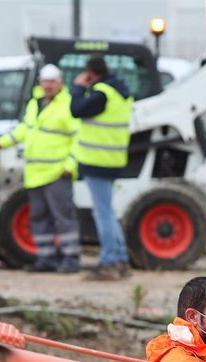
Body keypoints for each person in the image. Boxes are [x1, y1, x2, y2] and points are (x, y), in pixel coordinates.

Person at [0, 64, 80, 273]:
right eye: (45, 81)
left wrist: (70, 165)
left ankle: (70, 259)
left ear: (60, 83)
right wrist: (2, 143)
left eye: (52, 82)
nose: (47, 86)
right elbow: (24, 130)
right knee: (39, 218)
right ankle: (45, 259)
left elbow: (79, 138)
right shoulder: (35, 104)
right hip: (35, 173)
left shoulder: (68, 106)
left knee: (63, 217)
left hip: (57, 172)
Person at [70, 54, 133, 281]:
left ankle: (109, 263)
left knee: (103, 214)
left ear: (90, 74)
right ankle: (121, 260)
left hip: (97, 161)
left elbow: (76, 109)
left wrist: (77, 88)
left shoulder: (101, 94)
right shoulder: (119, 92)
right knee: (108, 212)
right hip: (112, 160)